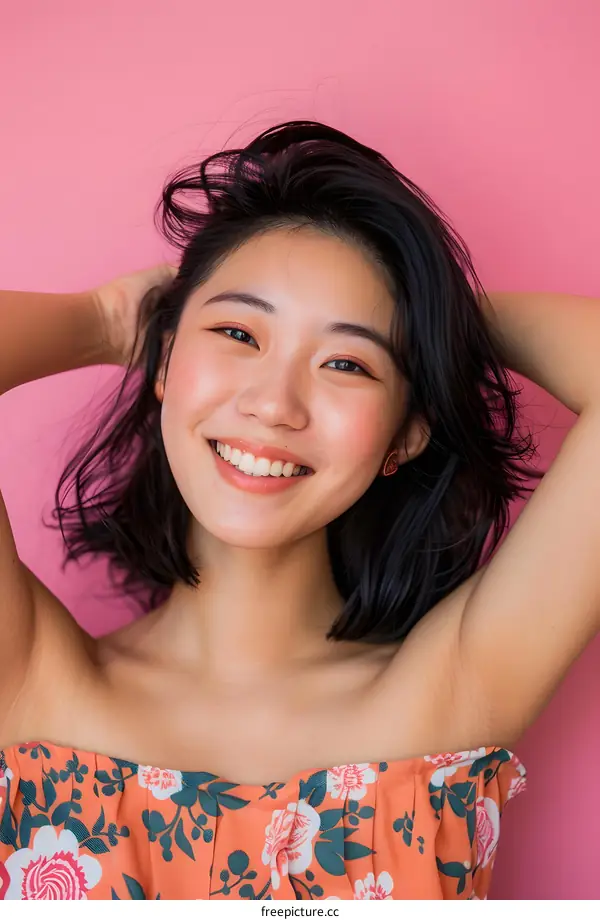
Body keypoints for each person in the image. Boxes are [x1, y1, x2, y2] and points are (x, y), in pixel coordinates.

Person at [0, 121, 598, 901]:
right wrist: (111, 320)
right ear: (166, 362)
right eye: (238, 332)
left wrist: (438, 327)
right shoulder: (31, 682)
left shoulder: (452, 694)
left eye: (347, 361)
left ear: (405, 433)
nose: (274, 404)